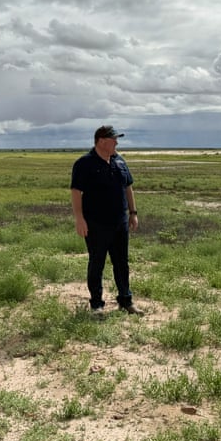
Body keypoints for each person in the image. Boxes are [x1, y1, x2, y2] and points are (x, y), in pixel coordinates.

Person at [70, 125, 141, 315]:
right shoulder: (84, 163)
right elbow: (76, 192)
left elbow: (128, 187)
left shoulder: (120, 161)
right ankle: (97, 305)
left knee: (122, 263)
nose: (116, 142)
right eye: (113, 139)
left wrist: (133, 213)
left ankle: (126, 301)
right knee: (97, 263)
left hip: (120, 222)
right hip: (96, 223)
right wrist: (79, 219)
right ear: (101, 141)